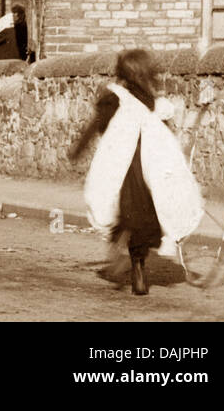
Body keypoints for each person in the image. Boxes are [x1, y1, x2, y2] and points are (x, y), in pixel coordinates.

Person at [68, 48, 203, 296]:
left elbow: (97, 126)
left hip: (124, 169)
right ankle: (137, 267)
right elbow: (163, 135)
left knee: (122, 215)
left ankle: (125, 262)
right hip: (150, 170)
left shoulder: (114, 97)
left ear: (122, 73)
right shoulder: (152, 102)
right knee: (145, 218)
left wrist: (78, 149)